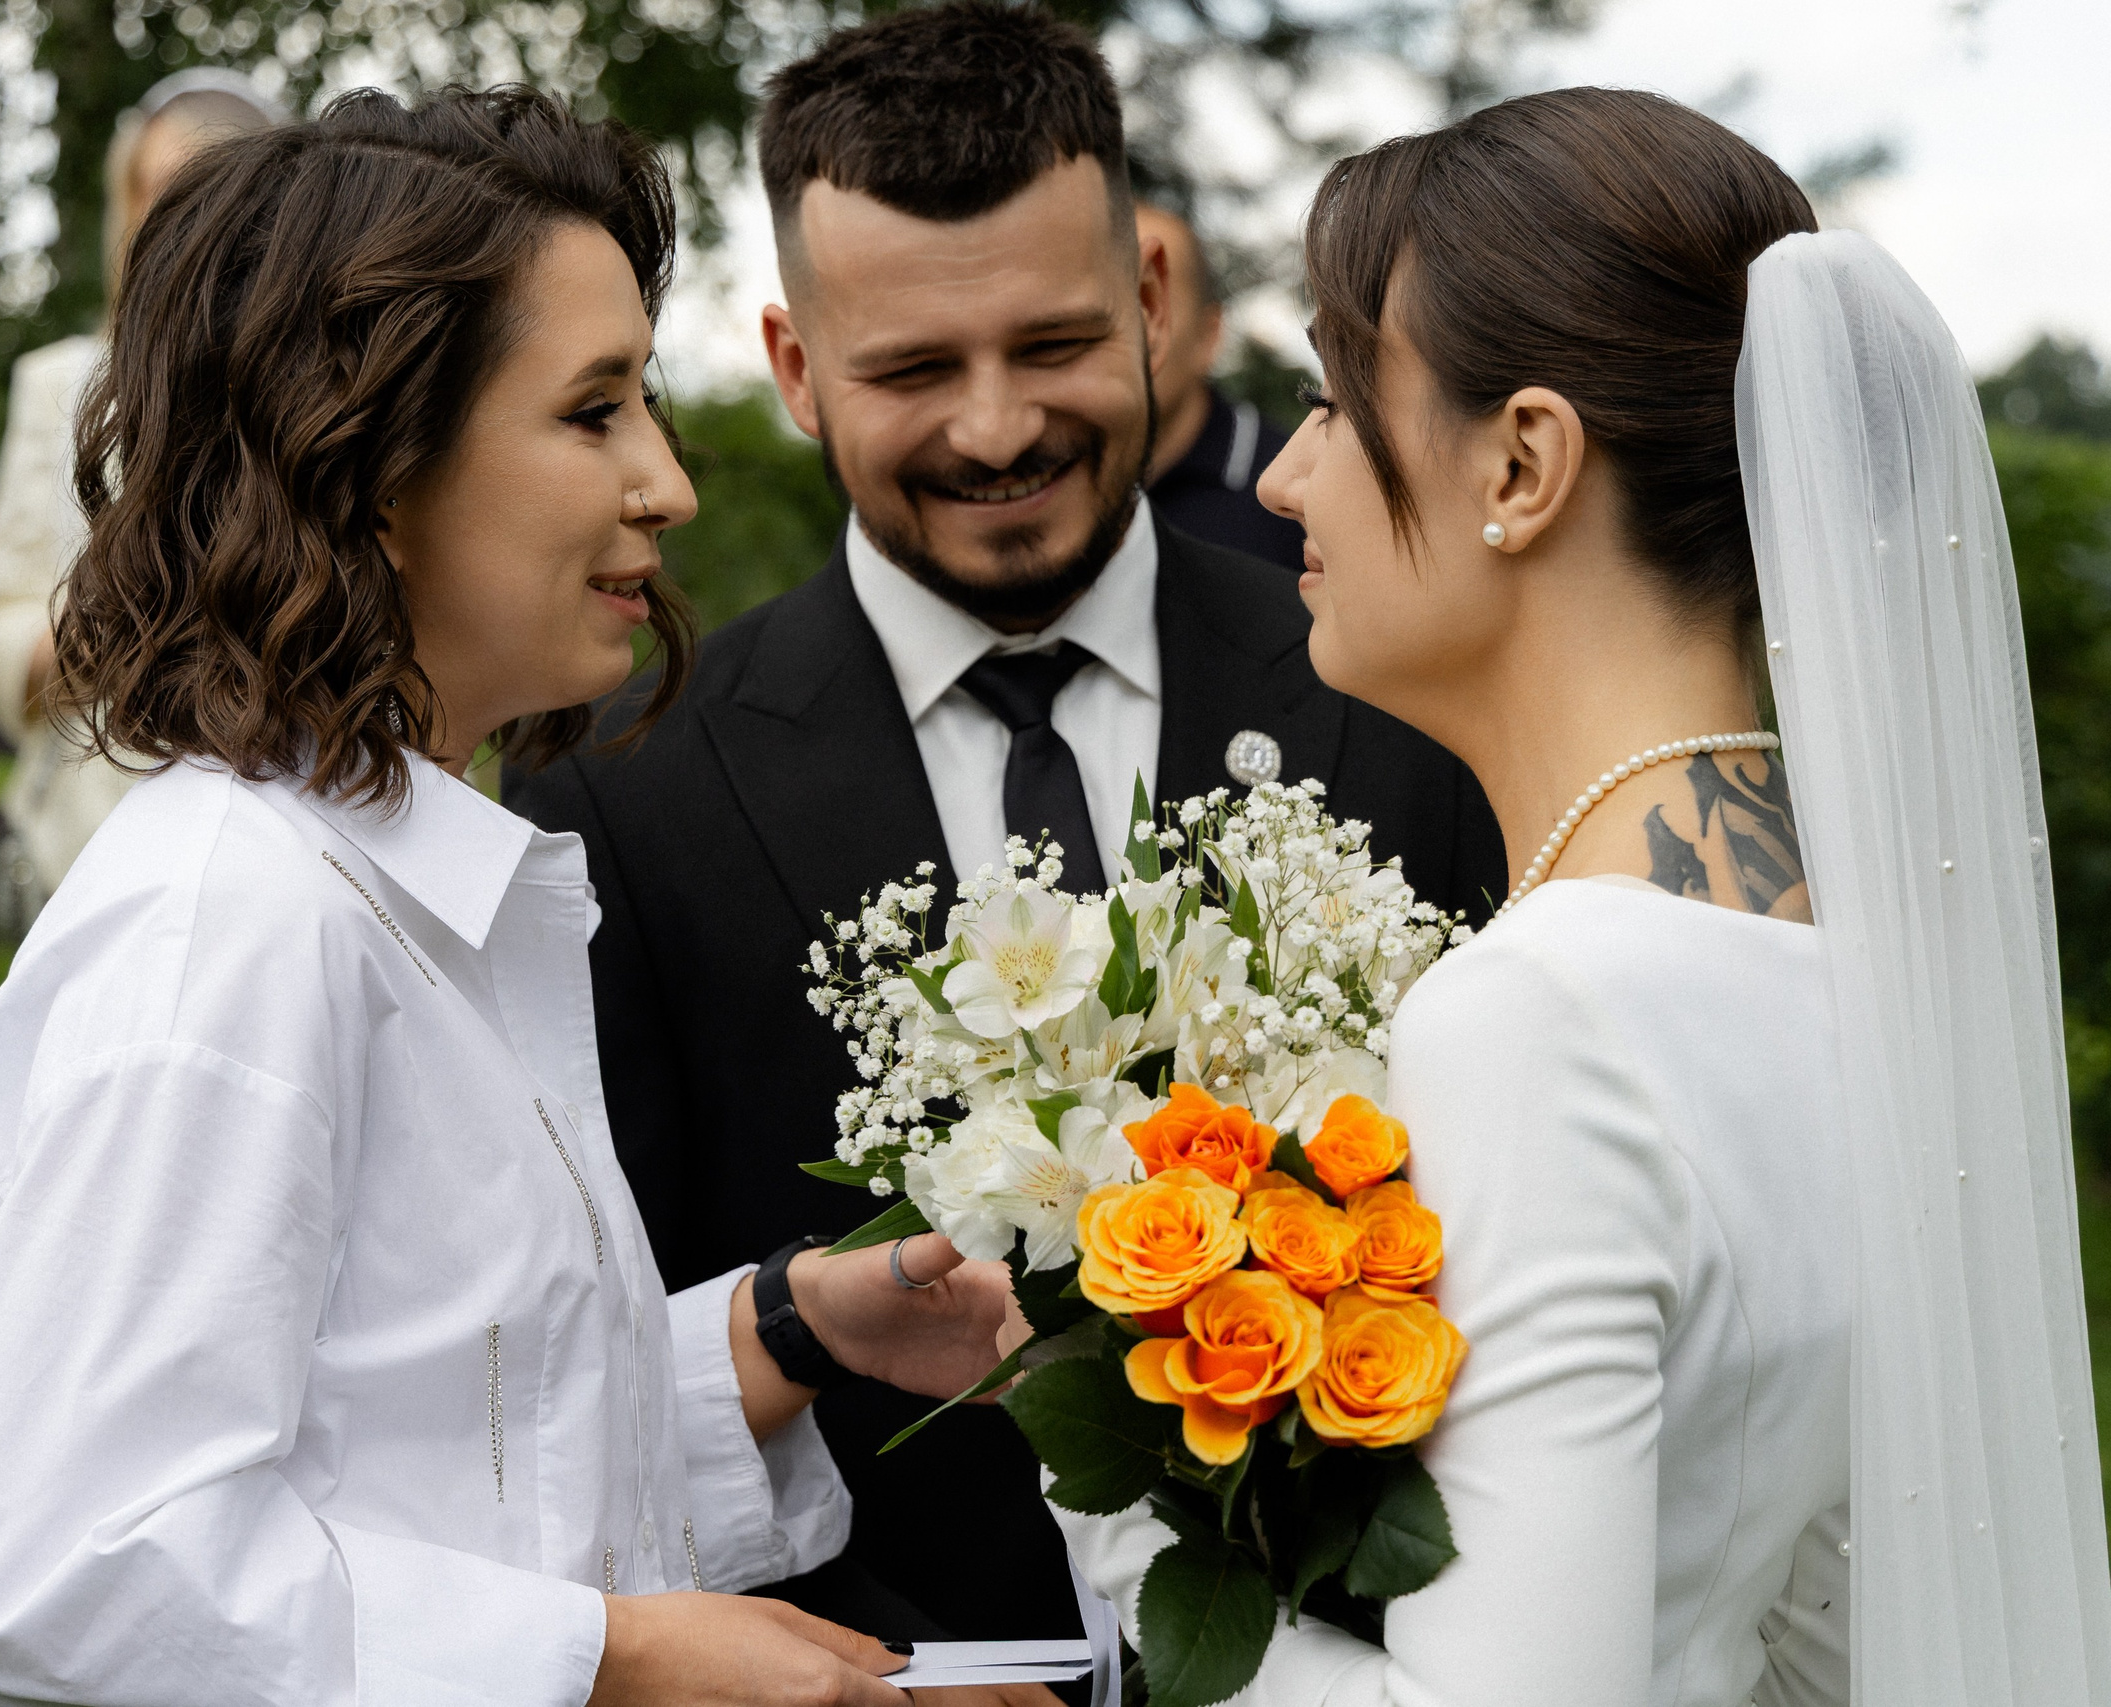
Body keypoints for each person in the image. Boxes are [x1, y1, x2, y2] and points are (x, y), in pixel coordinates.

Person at [0, 86, 1025, 1707]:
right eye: (593, 410)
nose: (668, 483)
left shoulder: (398, 883)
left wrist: (782, 1330)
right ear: (369, 463)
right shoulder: (233, 929)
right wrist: (620, 1659)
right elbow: (75, 1563)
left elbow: (443, 1443)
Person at [1055, 87, 2111, 1703]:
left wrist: (1106, 1499)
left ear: (1525, 460)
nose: (1286, 479)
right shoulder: (1864, 950)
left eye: (1336, 399)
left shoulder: (1544, 1014)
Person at [503, 0, 1505, 1655]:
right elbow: (600, 1356)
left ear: (1154, 301)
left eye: (1052, 346)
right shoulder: (621, 786)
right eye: (912, 369)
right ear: (795, 369)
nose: (996, 429)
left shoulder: (1407, 696)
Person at [0, 70, 282, 924]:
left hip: (274, 853)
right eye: (150, 188)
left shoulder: (326, 395)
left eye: (200, 186)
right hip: (87, 852)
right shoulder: (59, 386)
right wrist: (100, 633)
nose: (167, 215)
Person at [1134, 198, 1307, 568]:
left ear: (1208, 336)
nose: (1125, 331)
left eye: (1148, 303)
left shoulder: (1291, 496)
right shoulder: (1047, 484)